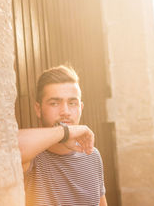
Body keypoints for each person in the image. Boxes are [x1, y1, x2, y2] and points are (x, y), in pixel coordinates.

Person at [18, 65, 107, 206]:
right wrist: (65, 132)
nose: (65, 111)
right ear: (38, 109)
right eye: (54, 103)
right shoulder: (33, 158)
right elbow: (9, 146)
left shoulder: (92, 156)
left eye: (72, 103)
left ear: (81, 108)